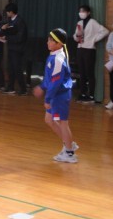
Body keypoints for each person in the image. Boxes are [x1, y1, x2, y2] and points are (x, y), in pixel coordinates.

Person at [33, 28, 79, 163]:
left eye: (51, 40)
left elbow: (55, 82)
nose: (47, 42)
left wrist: (47, 99)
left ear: (59, 44)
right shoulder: (53, 55)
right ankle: (69, 143)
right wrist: (42, 87)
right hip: (56, 95)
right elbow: (50, 78)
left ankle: (69, 153)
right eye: (48, 39)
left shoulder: (58, 59)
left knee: (62, 122)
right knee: (49, 120)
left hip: (59, 96)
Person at [73, 5, 109, 103]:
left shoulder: (92, 22)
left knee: (89, 72)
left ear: (88, 12)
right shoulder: (79, 23)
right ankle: (83, 93)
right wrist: (76, 36)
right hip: (80, 48)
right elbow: (75, 37)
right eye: (80, 11)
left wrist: (94, 40)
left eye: (83, 11)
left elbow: (105, 31)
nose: (81, 13)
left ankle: (91, 95)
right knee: (81, 72)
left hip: (89, 49)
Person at [1, 3, 28, 95]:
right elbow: (8, 33)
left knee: (17, 69)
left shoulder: (20, 21)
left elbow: (20, 37)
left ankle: (23, 89)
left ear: (11, 12)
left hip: (18, 49)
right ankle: (10, 87)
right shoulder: (10, 21)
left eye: (7, 12)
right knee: (10, 69)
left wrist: (7, 37)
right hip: (11, 48)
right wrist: (3, 29)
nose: (6, 13)